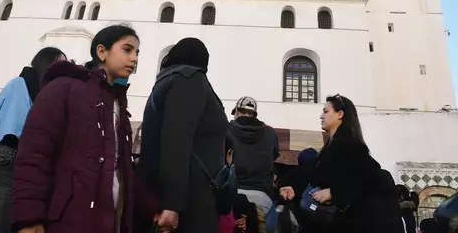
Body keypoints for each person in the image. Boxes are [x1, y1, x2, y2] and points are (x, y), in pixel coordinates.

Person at [10, 25, 158, 233]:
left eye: (137, 53)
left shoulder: (117, 104)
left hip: (109, 220)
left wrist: (155, 208)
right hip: (68, 220)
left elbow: (121, 169)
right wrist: (28, 218)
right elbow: (35, 154)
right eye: (127, 50)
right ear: (101, 52)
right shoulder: (63, 88)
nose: (134, 59)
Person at [0, 47, 66, 233]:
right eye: (58, 63)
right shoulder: (20, 84)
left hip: (24, 160)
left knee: (2, 220)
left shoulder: (47, 94)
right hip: (6, 154)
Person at [137, 37, 228, 233]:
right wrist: (172, 204)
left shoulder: (164, 82)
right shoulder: (189, 79)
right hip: (192, 198)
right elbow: (177, 141)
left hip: (170, 192)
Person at [278, 94, 404, 233]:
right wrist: (295, 189)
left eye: (326, 111)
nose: (321, 116)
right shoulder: (331, 146)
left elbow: (369, 178)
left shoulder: (351, 145)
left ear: (340, 114)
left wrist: (334, 193)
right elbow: (320, 177)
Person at [228, 96, 280, 233]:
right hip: (262, 197)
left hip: (232, 196)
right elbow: (273, 156)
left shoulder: (227, 130)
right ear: (254, 114)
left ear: (237, 111)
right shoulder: (270, 132)